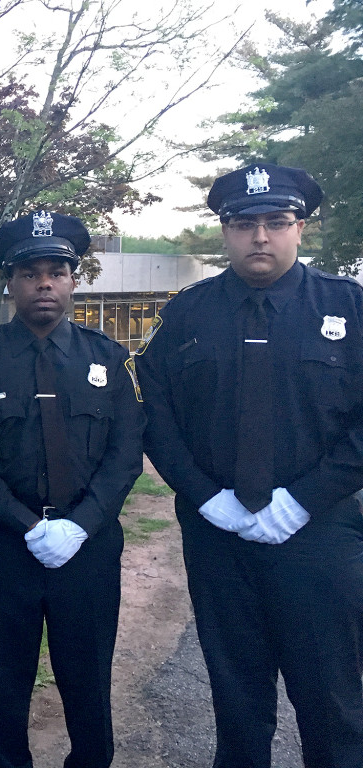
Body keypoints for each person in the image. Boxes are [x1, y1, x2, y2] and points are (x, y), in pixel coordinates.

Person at [135, 163, 363, 768]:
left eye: (276, 222)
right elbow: (155, 409)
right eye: (243, 225)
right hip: (220, 537)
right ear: (225, 232)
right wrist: (205, 496)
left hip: (320, 535)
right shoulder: (188, 313)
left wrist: (303, 500)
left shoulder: (348, 308)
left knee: (333, 700)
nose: (260, 237)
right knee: (236, 700)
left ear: (300, 228)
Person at [0, 212, 144, 768]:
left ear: (73, 279)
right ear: (8, 282)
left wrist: (80, 525)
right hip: (7, 547)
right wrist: (26, 525)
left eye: (56, 271)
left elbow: (125, 455)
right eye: (30, 273)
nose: (44, 283)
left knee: (88, 677)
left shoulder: (109, 360)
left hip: (89, 547)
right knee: (6, 679)